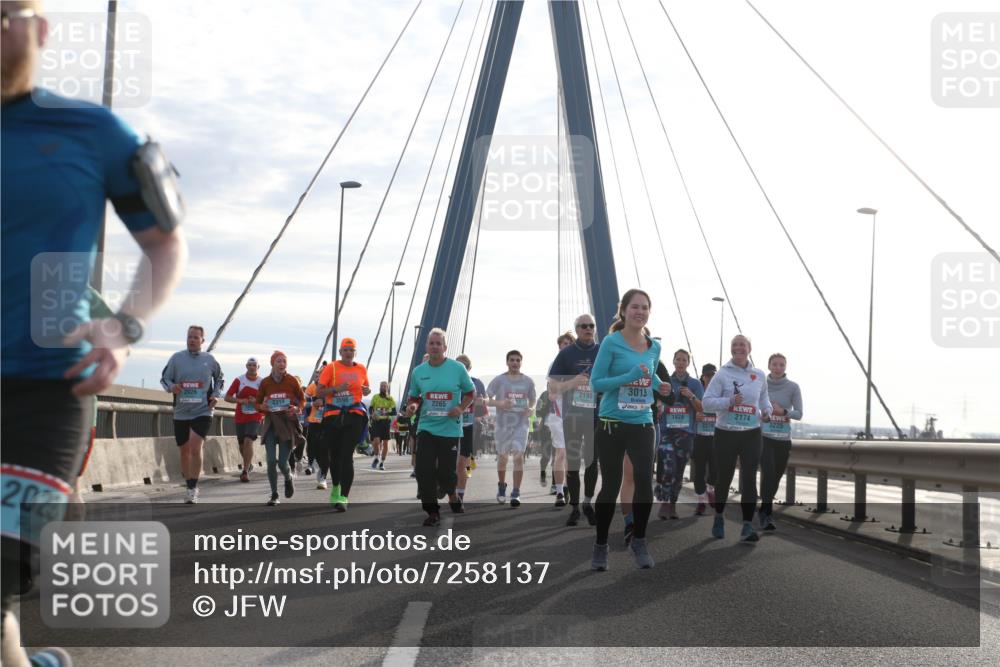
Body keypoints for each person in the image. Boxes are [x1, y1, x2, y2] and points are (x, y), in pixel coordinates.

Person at [2, 4, 186, 662]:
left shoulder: (93, 131)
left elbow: (165, 246)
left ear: (41, 29)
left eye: (6, 13)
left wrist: (124, 327)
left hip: (46, 392)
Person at [588, 289, 666, 571]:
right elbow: (597, 383)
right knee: (610, 485)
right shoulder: (611, 342)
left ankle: (640, 541)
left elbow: (649, 372)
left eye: (645, 307)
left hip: (643, 423)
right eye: (635, 307)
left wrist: (659, 386)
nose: (640, 312)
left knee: (645, 481)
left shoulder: (654, 346)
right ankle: (600, 545)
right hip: (612, 422)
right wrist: (628, 377)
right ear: (623, 310)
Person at [702, 335, 772, 544]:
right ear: (731, 350)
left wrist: (766, 410)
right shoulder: (722, 374)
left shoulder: (759, 375)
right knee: (724, 477)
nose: (738, 347)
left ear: (749, 348)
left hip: (751, 433)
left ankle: (747, 526)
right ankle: (719, 516)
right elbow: (706, 403)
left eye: (742, 344)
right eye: (735, 345)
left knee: (749, 478)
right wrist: (729, 401)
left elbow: (764, 399)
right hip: (726, 433)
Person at [406, 328, 475, 526]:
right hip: (426, 427)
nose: (435, 346)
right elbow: (414, 397)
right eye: (431, 343)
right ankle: (432, 511)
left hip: (450, 429)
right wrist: (412, 406)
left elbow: (471, 393)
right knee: (423, 470)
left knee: (446, 472)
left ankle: (452, 494)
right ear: (427, 346)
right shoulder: (419, 372)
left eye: (439, 344)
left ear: (445, 347)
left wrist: (460, 408)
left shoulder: (457, 369)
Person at [160, 326, 224, 503]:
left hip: (203, 410)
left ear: (203, 341)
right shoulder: (177, 358)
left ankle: (192, 487)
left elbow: (220, 378)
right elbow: (165, 378)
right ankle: (188, 482)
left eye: (196, 337)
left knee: (195, 447)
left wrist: (216, 395)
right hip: (181, 411)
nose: (192, 340)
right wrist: (172, 387)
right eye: (189, 337)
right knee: (184, 451)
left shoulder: (209, 360)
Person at [547, 315, 601, 526]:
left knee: (592, 462)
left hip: (597, 415)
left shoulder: (602, 352)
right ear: (577, 329)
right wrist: (573, 383)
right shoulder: (566, 354)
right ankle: (575, 508)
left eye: (591, 326)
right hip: (573, 416)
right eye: (584, 326)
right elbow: (553, 387)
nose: (588, 329)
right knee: (572, 462)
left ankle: (588, 502)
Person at [316, 338, 371, 511]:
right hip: (333, 415)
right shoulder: (331, 368)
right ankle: (336, 487)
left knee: (347, 456)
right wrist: (336, 389)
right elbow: (319, 392)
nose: (348, 352)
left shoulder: (361, 368)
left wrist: (367, 390)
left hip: (354, 415)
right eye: (345, 350)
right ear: (340, 352)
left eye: (352, 350)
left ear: (355, 352)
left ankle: (344, 497)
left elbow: (366, 387)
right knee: (335, 455)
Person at [656, 349, 704, 519]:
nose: (681, 362)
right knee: (669, 466)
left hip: (686, 433)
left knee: (678, 471)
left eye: (684, 360)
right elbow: (656, 401)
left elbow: (701, 408)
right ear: (674, 361)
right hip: (667, 430)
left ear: (688, 363)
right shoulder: (665, 381)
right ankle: (664, 501)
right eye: (678, 359)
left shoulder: (695, 384)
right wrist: (659, 406)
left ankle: (672, 505)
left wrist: (691, 396)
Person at [758, 353, 803, 530]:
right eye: (774, 364)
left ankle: (764, 507)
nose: (778, 367)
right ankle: (767, 514)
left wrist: (783, 412)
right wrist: (764, 414)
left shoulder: (793, 387)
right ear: (769, 366)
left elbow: (799, 413)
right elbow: (754, 406)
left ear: (785, 367)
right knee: (768, 472)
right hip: (764, 437)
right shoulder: (761, 384)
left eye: (781, 365)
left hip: (783, 439)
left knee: (775, 476)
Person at [486, 350, 536, 507]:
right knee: (503, 457)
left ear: (521, 362)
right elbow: (485, 399)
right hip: (503, 424)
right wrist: (500, 404)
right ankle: (502, 485)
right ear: (507, 362)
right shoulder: (499, 380)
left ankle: (516, 492)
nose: (515, 363)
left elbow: (533, 400)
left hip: (521, 423)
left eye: (517, 360)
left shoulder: (528, 381)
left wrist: (531, 408)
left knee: (519, 456)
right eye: (512, 360)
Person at [255, 351, 305, 506]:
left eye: (284, 361)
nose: (282, 364)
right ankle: (274, 494)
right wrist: (262, 407)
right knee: (270, 461)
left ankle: (288, 477)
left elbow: (302, 400)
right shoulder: (265, 383)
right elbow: (257, 403)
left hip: (287, 422)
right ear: (272, 364)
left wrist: (297, 409)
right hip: (271, 422)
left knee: (282, 463)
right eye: (278, 361)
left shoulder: (292, 381)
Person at [454, 354, 487, 504]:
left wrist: (481, 401)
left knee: (462, 462)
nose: (460, 369)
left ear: (469, 368)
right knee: (448, 462)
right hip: (449, 427)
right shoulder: (448, 381)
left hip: (467, 425)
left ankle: (460, 495)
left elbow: (485, 401)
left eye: (464, 367)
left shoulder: (476, 383)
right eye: (457, 366)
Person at [225, 357, 264, 482]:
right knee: (242, 445)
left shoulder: (262, 382)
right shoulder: (239, 380)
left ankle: (245, 471)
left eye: (254, 365)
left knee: (248, 440)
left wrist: (256, 401)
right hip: (241, 416)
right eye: (250, 365)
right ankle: (249, 464)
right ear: (246, 366)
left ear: (258, 367)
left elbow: (266, 400)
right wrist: (240, 400)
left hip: (255, 415)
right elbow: (227, 397)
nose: (252, 367)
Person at [691, 363, 718, 515]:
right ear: (703, 377)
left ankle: (710, 489)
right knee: (699, 471)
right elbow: (688, 414)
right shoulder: (696, 392)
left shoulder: (721, 393)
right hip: (699, 438)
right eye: (707, 376)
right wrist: (696, 416)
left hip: (715, 438)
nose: (710, 378)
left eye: (713, 375)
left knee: (715, 470)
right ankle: (701, 502)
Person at [369, 382, 396, 471]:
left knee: (385, 443)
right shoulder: (375, 397)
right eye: (381, 386)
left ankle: (382, 462)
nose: (383, 387)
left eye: (385, 386)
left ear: (387, 388)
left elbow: (394, 412)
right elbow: (370, 408)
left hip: (385, 422)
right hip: (376, 421)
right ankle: (376, 457)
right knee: (376, 441)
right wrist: (372, 414)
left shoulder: (390, 399)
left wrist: (385, 412)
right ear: (379, 387)